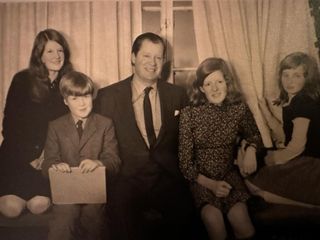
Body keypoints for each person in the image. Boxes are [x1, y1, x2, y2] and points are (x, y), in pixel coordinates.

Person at [94, 32, 194, 240]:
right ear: (133, 57)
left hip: (168, 178)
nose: (153, 63)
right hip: (126, 178)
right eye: (146, 56)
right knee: (119, 224)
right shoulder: (108, 96)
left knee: (188, 221)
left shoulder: (178, 95)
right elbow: (99, 142)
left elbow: (192, 137)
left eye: (158, 57)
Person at [179, 57, 263, 240]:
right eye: (208, 84)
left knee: (243, 224)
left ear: (227, 82)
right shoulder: (189, 114)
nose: (215, 88)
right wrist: (211, 184)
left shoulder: (239, 109)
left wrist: (250, 150)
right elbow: (185, 164)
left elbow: (254, 135)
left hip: (229, 176)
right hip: (201, 179)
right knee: (214, 223)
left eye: (219, 81)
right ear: (201, 88)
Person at [0, 29, 73, 218]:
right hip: (18, 158)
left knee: (38, 205)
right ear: (39, 55)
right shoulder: (22, 80)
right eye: (50, 51)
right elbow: (10, 125)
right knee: (11, 209)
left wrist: (48, 156)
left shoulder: (70, 82)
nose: (56, 56)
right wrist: (29, 156)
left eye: (60, 51)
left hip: (51, 160)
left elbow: (72, 127)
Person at [42, 71, 121, 240]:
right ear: (65, 101)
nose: (82, 103)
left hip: (95, 192)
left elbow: (114, 161)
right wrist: (54, 166)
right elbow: (47, 163)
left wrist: (99, 163)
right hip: (66, 194)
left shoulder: (105, 124)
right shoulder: (55, 126)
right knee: (64, 219)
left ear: (92, 97)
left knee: (94, 219)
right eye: (74, 98)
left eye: (86, 96)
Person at [246, 52, 320, 207]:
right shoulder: (294, 100)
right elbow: (285, 134)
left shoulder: (303, 102)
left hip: (312, 164)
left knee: (255, 185)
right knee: (255, 186)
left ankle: (312, 205)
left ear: (308, 79)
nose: (289, 81)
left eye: (297, 76)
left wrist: (274, 158)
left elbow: (297, 146)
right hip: (306, 160)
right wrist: (265, 111)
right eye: (285, 75)